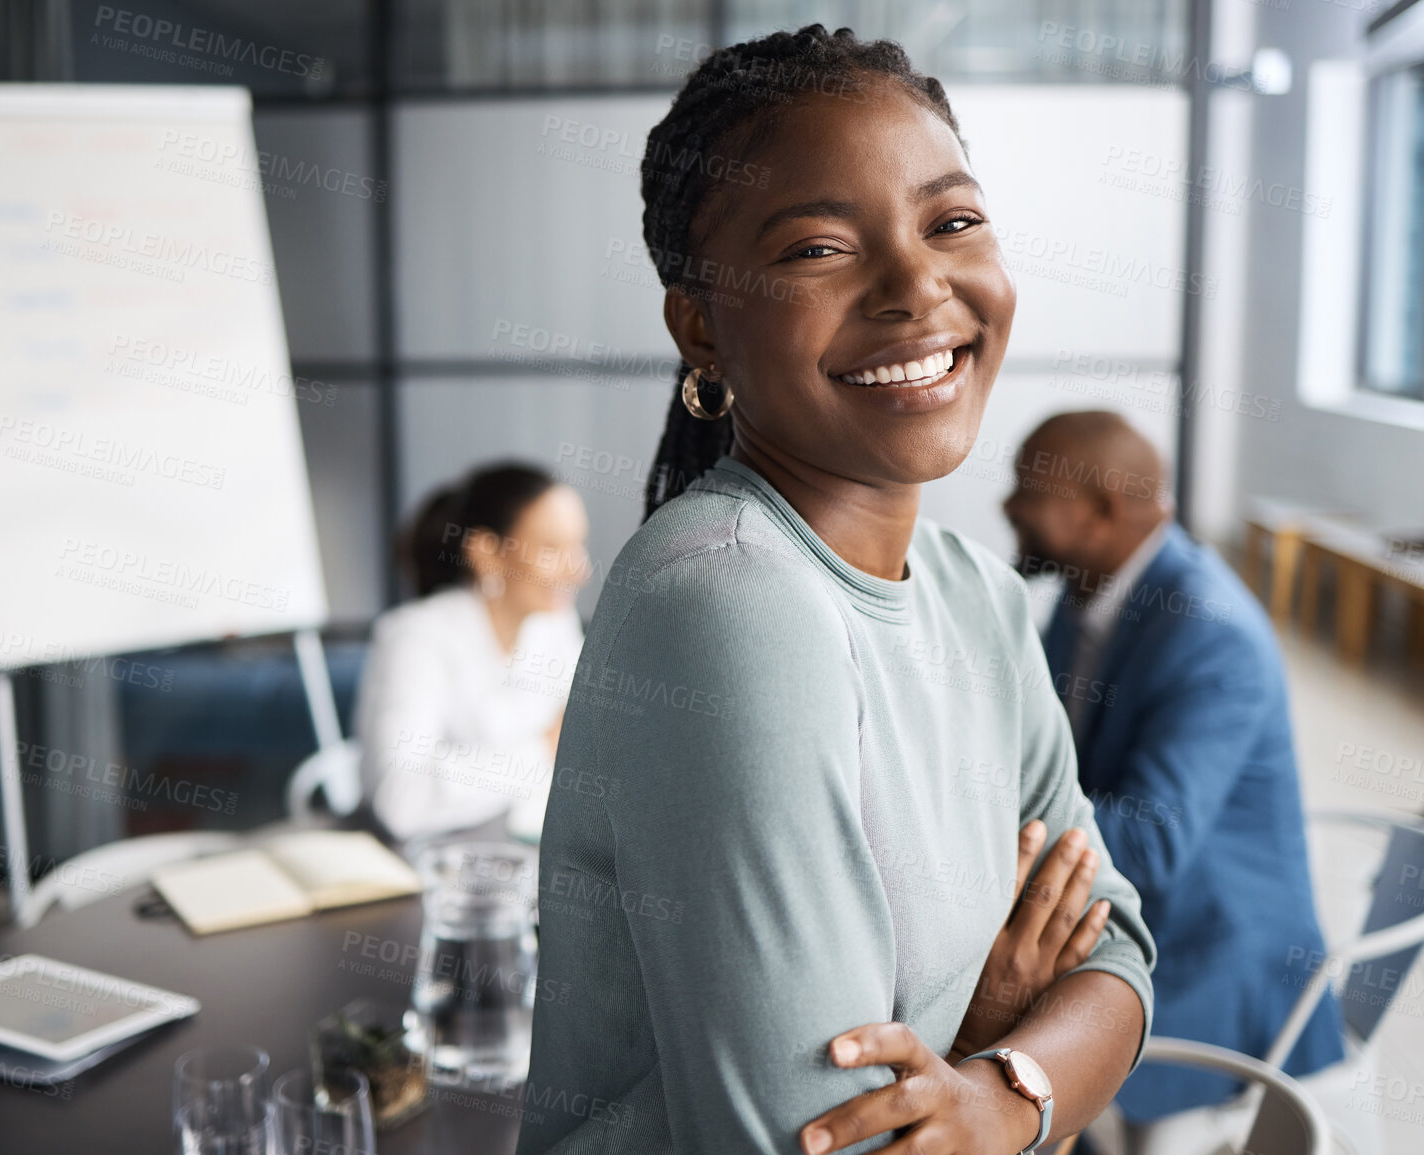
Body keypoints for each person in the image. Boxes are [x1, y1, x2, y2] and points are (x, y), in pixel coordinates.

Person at [519, 27, 1156, 1155]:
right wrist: (1002, 1030)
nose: (919, 285)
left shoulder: (980, 599)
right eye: (821, 248)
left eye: (952, 222)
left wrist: (995, 1093)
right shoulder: (726, 600)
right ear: (702, 326)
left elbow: (1117, 952)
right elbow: (826, 1141)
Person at [1002, 411, 1343, 1152]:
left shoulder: (1208, 632)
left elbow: (1149, 843)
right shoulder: (1085, 588)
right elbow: (1052, 757)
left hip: (1211, 953)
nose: (1009, 507)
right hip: (1144, 909)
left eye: (1029, 490)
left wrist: (985, 814)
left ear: (1101, 510)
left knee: (989, 1039)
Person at [353, 463, 590, 843]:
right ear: (486, 553)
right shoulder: (416, 639)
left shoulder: (553, 625)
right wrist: (544, 747)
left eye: (578, 545)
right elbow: (401, 802)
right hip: (425, 865)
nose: (580, 569)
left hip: (517, 850)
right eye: (551, 549)